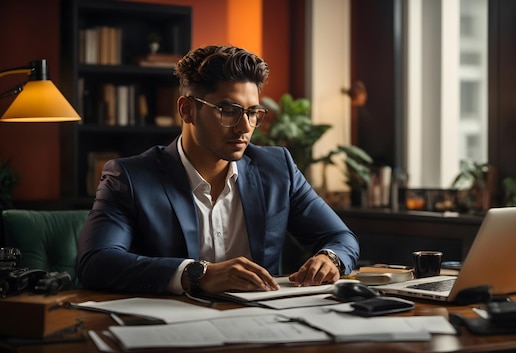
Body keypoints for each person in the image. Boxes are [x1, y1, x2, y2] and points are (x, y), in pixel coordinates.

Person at [77, 45, 360, 295]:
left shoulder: (277, 169)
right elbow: (97, 262)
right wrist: (196, 275)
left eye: (252, 112)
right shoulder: (130, 177)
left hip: (264, 325)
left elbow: (341, 238)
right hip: (171, 327)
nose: (244, 127)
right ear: (187, 110)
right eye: (228, 110)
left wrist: (330, 258)